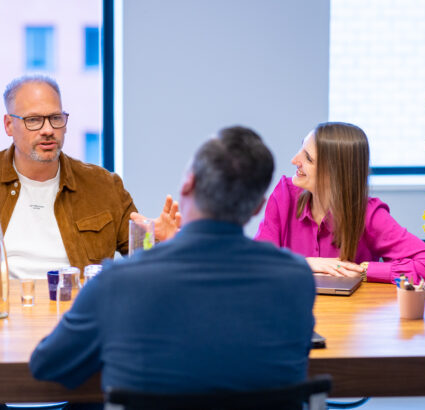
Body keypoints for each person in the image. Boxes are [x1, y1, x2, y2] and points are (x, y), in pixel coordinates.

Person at [29, 126, 316, 394]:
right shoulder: (295, 279)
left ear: (188, 185)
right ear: (257, 208)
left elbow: (48, 365)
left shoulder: (118, 282)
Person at [0, 75, 178, 278]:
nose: (48, 130)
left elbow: (143, 263)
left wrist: (165, 244)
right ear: (9, 125)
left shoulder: (104, 186)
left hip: (76, 316)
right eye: (34, 120)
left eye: (55, 118)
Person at [254, 121, 425, 285]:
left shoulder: (368, 213)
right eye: (301, 149)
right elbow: (256, 262)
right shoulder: (284, 196)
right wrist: (306, 263)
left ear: (335, 173)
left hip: (349, 320)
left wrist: (364, 270)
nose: (294, 160)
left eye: (308, 158)